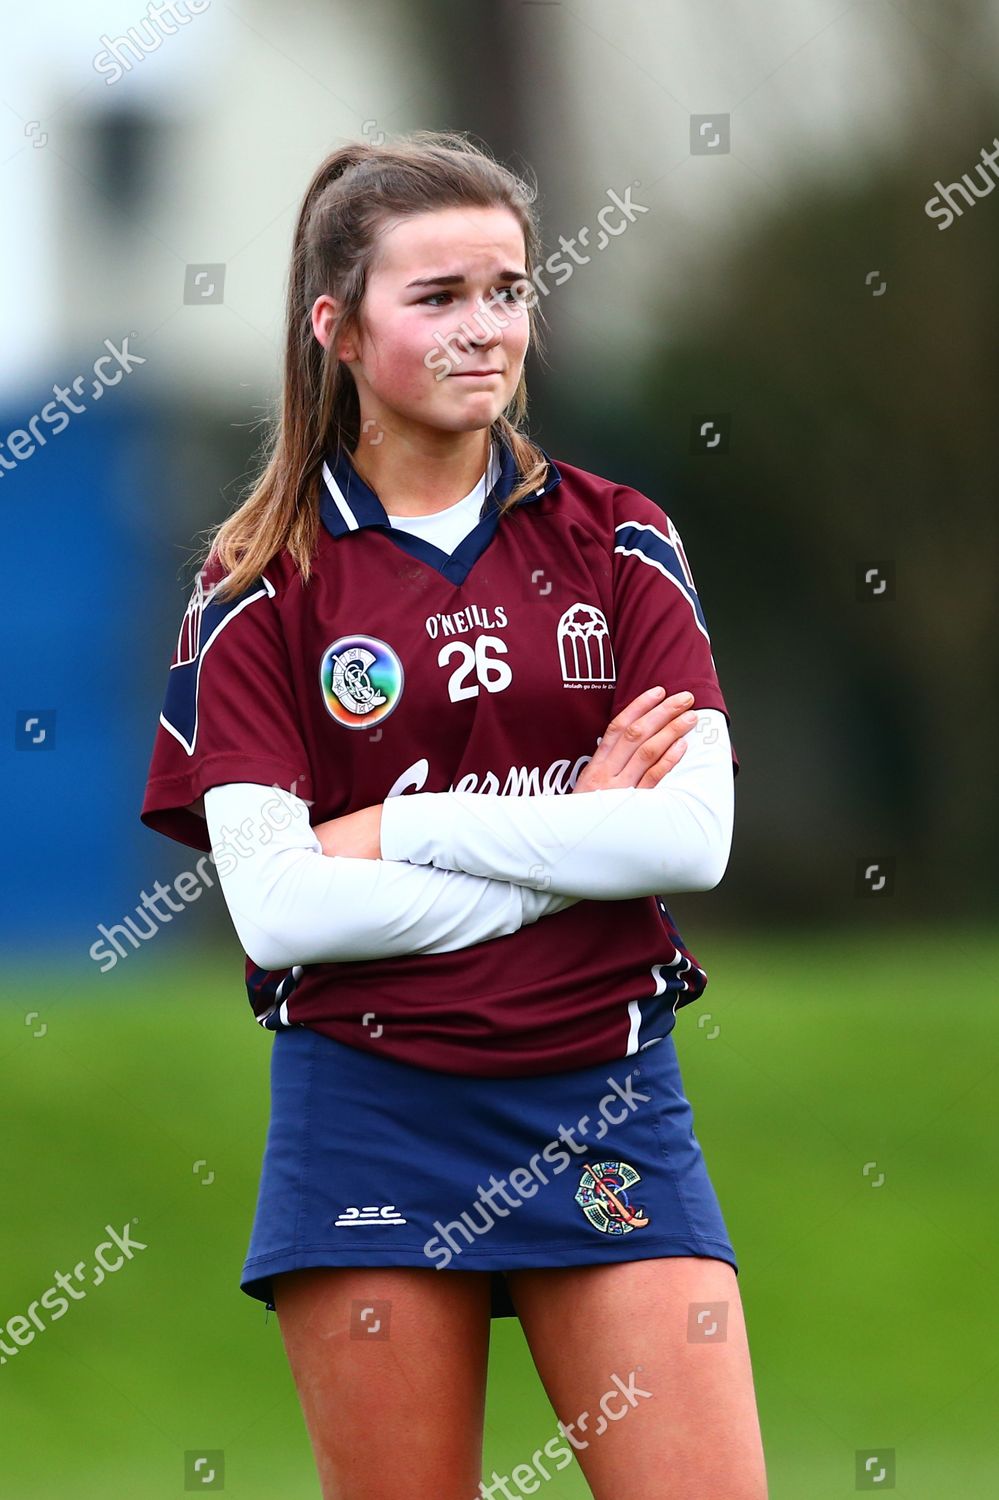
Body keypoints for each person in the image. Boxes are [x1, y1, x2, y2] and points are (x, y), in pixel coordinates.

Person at [139, 130, 768, 1500]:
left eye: (508, 289)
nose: (486, 329)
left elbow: (687, 841)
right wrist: (572, 835)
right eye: (437, 298)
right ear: (337, 328)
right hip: (371, 1104)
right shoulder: (257, 586)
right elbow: (288, 908)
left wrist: (404, 832)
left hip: (607, 1095)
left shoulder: (618, 539)